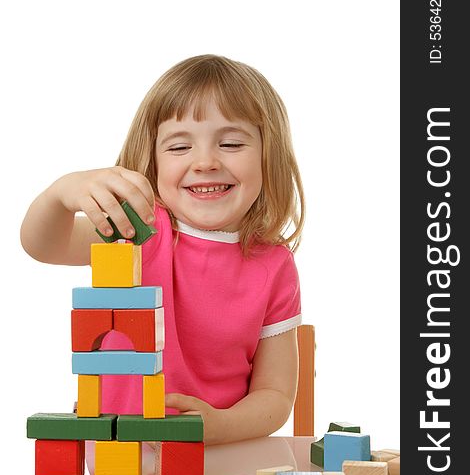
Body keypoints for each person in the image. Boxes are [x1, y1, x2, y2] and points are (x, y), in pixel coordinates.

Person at [20, 54, 305, 445]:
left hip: (217, 462)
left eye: (232, 143)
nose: (205, 162)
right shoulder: (137, 231)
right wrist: (61, 193)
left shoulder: (275, 265)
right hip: (118, 454)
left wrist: (218, 427)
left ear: (267, 155)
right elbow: (42, 245)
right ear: (152, 160)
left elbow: (274, 395)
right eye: (178, 148)